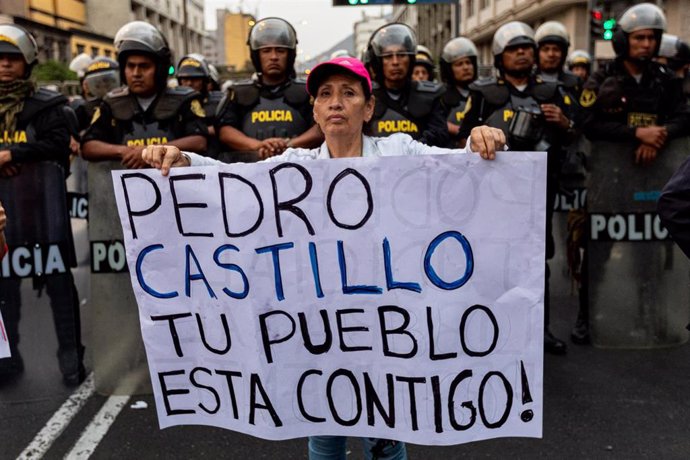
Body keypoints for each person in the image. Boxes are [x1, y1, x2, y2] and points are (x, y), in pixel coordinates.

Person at [143, 55, 505, 460]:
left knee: (385, 436)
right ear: (314, 109)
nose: (336, 102)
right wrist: (185, 161)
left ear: (368, 108)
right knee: (324, 434)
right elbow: (232, 182)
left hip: (386, 324)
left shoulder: (398, 150)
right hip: (321, 324)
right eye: (326, 94)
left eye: (349, 93)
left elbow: (454, 166)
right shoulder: (297, 167)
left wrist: (478, 142)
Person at [459, 21, 574, 355]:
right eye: (513, 49)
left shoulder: (551, 90)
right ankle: (491, 327)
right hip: (493, 192)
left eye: (527, 47)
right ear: (499, 56)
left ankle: (541, 328)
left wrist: (563, 122)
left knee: (539, 257)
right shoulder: (483, 92)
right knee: (491, 257)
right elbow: (462, 138)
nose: (522, 53)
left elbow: (575, 130)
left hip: (540, 189)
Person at [0, 23, 85, 384]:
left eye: (12, 59)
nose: (4, 65)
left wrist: (13, 154)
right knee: (5, 288)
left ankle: (70, 356)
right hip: (3, 219)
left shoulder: (48, 105)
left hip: (44, 212)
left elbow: (57, 144)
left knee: (59, 283)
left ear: (29, 62)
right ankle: (8, 356)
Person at [82, 21, 207, 166]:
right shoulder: (111, 102)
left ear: (160, 69)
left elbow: (199, 141)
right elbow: (88, 146)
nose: (136, 74)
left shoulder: (185, 99)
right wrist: (124, 151)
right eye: (130, 66)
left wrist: (150, 152)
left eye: (144, 66)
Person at [216, 17, 323, 160]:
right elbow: (224, 130)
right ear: (256, 55)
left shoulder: (308, 91)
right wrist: (257, 146)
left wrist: (289, 146)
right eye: (266, 51)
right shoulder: (237, 93)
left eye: (280, 51)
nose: (273, 57)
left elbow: (323, 126)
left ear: (290, 55)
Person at [367, 23, 449, 147]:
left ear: (410, 59)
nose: (395, 62)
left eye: (401, 55)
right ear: (378, 62)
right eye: (388, 56)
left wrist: (412, 151)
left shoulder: (430, 96)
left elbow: (440, 134)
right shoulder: (366, 97)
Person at [176, 53, 224, 158]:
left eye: (194, 79)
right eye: (184, 80)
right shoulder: (174, 107)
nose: (189, 84)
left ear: (205, 81)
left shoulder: (220, 102)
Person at [439, 36, 479, 146]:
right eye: (459, 64)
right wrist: (456, 130)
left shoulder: (484, 93)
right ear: (449, 69)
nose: (466, 67)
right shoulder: (440, 96)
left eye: (468, 62)